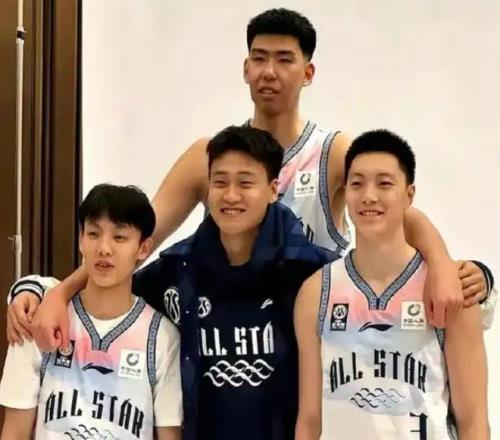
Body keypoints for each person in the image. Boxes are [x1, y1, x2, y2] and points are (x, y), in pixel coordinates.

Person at [7, 9, 494, 349]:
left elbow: (400, 215)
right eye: (260, 58)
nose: (270, 71)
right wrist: (58, 291)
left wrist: (443, 264)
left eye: (284, 59)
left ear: (308, 72)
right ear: (245, 69)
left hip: (313, 338)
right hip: (230, 339)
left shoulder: (333, 152)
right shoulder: (210, 157)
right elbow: (134, 238)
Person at [8, 126, 334, 440]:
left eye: (245, 182)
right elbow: (112, 288)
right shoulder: (180, 270)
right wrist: (34, 290)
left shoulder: (312, 274)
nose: (231, 195)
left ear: (273, 189)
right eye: (220, 182)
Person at [294, 130, 489, 440]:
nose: (369, 196)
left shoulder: (450, 289)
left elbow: (474, 422)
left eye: (384, 184)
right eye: (357, 184)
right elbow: (309, 420)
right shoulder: (316, 292)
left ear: (409, 195)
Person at [0, 184, 183, 439]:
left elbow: (169, 433)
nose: (104, 248)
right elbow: (15, 432)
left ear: (143, 248)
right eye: (94, 234)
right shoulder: (41, 320)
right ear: (81, 239)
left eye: (119, 237)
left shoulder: (162, 337)